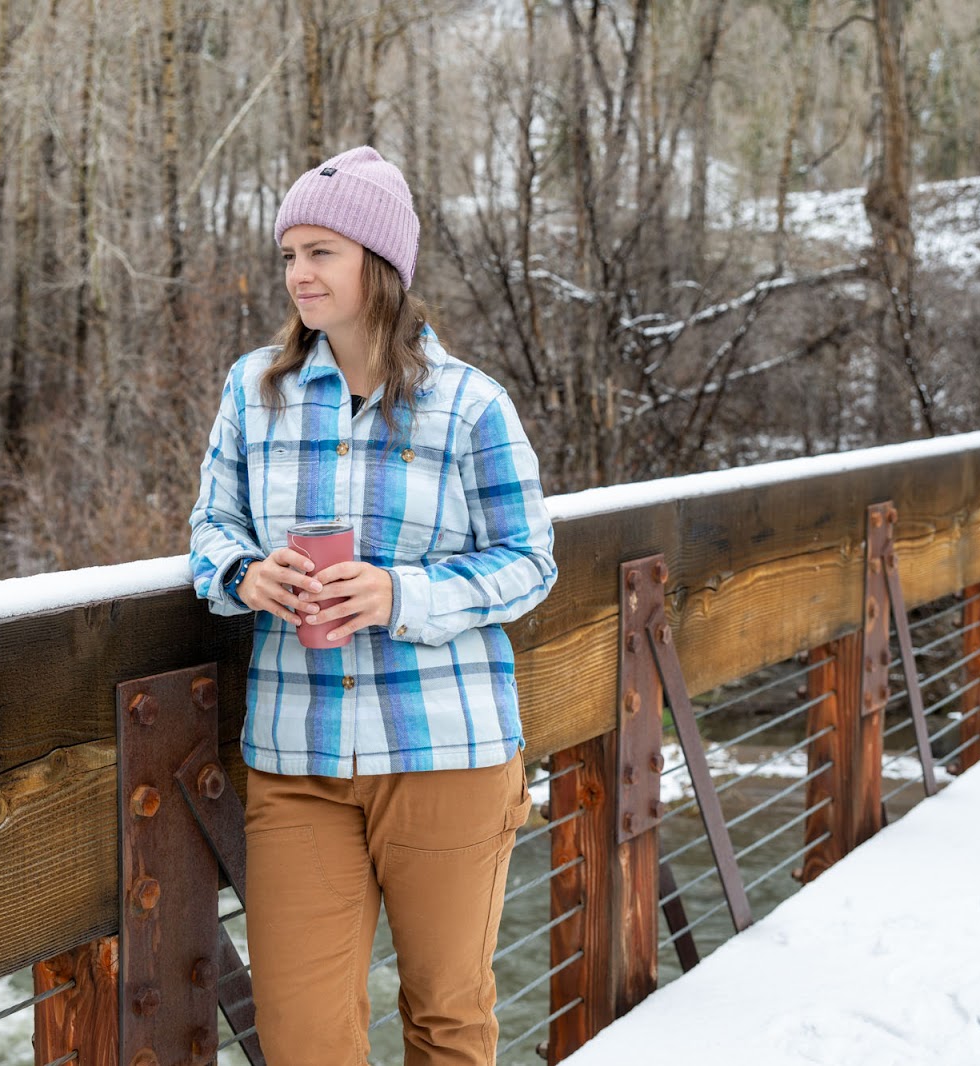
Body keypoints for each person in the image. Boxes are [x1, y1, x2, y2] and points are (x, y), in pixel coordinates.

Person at [188, 145, 558, 1066]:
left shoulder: (470, 404)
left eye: (322, 252)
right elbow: (211, 527)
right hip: (298, 755)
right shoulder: (255, 391)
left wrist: (403, 593)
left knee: (446, 1019)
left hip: (446, 750)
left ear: (380, 263)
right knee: (302, 1037)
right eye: (289, 255)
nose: (298, 274)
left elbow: (530, 563)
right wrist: (242, 575)